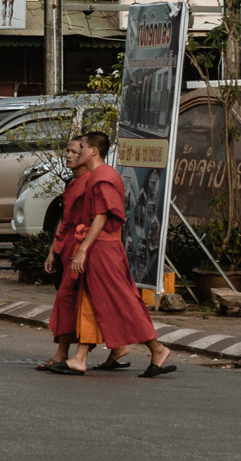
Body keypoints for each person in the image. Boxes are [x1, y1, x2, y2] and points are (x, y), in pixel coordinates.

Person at [38, 129, 169, 378]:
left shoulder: (103, 177)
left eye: (81, 148)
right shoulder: (96, 176)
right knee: (90, 300)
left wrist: (83, 249)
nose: (76, 153)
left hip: (104, 249)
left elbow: (102, 215)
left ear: (93, 151)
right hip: (95, 247)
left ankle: (157, 348)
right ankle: (80, 357)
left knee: (122, 300)